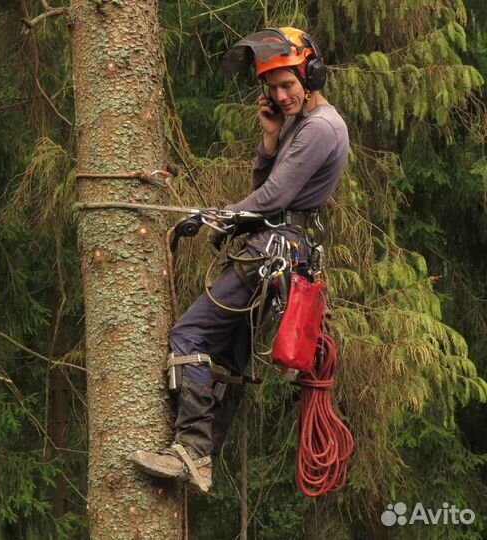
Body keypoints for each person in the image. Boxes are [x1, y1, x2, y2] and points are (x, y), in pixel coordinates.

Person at [130, 27, 350, 493]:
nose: (280, 95)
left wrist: (215, 218)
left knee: (189, 334)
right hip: (281, 252)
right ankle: (201, 459)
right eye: (272, 88)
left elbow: (271, 197)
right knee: (226, 356)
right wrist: (270, 139)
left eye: (288, 84)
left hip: (273, 252)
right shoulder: (297, 126)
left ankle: (191, 449)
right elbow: (266, 182)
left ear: (312, 74)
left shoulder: (322, 128)